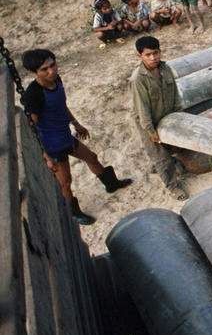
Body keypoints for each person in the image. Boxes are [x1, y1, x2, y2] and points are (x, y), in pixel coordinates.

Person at [21, 48, 132, 225]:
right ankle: (73, 213)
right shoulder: (34, 96)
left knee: (92, 158)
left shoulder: (56, 80)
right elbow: (31, 129)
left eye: (53, 65)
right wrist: (45, 155)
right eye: (44, 69)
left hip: (65, 136)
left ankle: (111, 184)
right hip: (51, 145)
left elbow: (61, 105)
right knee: (65, 182)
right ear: (33, 72)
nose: (52, 71)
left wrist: (76, 124)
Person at [129, 35, 187, 200]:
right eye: (148, 55)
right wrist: (150, 130)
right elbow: (142, 108)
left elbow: (175, 93)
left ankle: (156, 165)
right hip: (148, 120)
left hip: (167, 114)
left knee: (169, 146)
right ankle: (172, 186)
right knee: (160, 155)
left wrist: (178, 114)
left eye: (155, 53)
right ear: (140, 56)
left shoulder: (165, 69)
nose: (153, 58)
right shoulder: (138, 79)